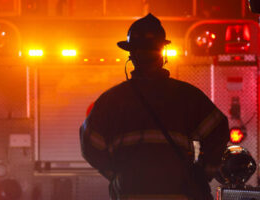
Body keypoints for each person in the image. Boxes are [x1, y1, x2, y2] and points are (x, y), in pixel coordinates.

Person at [80, 13, 229, 200]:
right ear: (162, 54)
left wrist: (118, 174)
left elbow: (90, 145)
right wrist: (202, 172)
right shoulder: (188, 96)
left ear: (132, 55)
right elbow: (219, 131)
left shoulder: (111, 100)